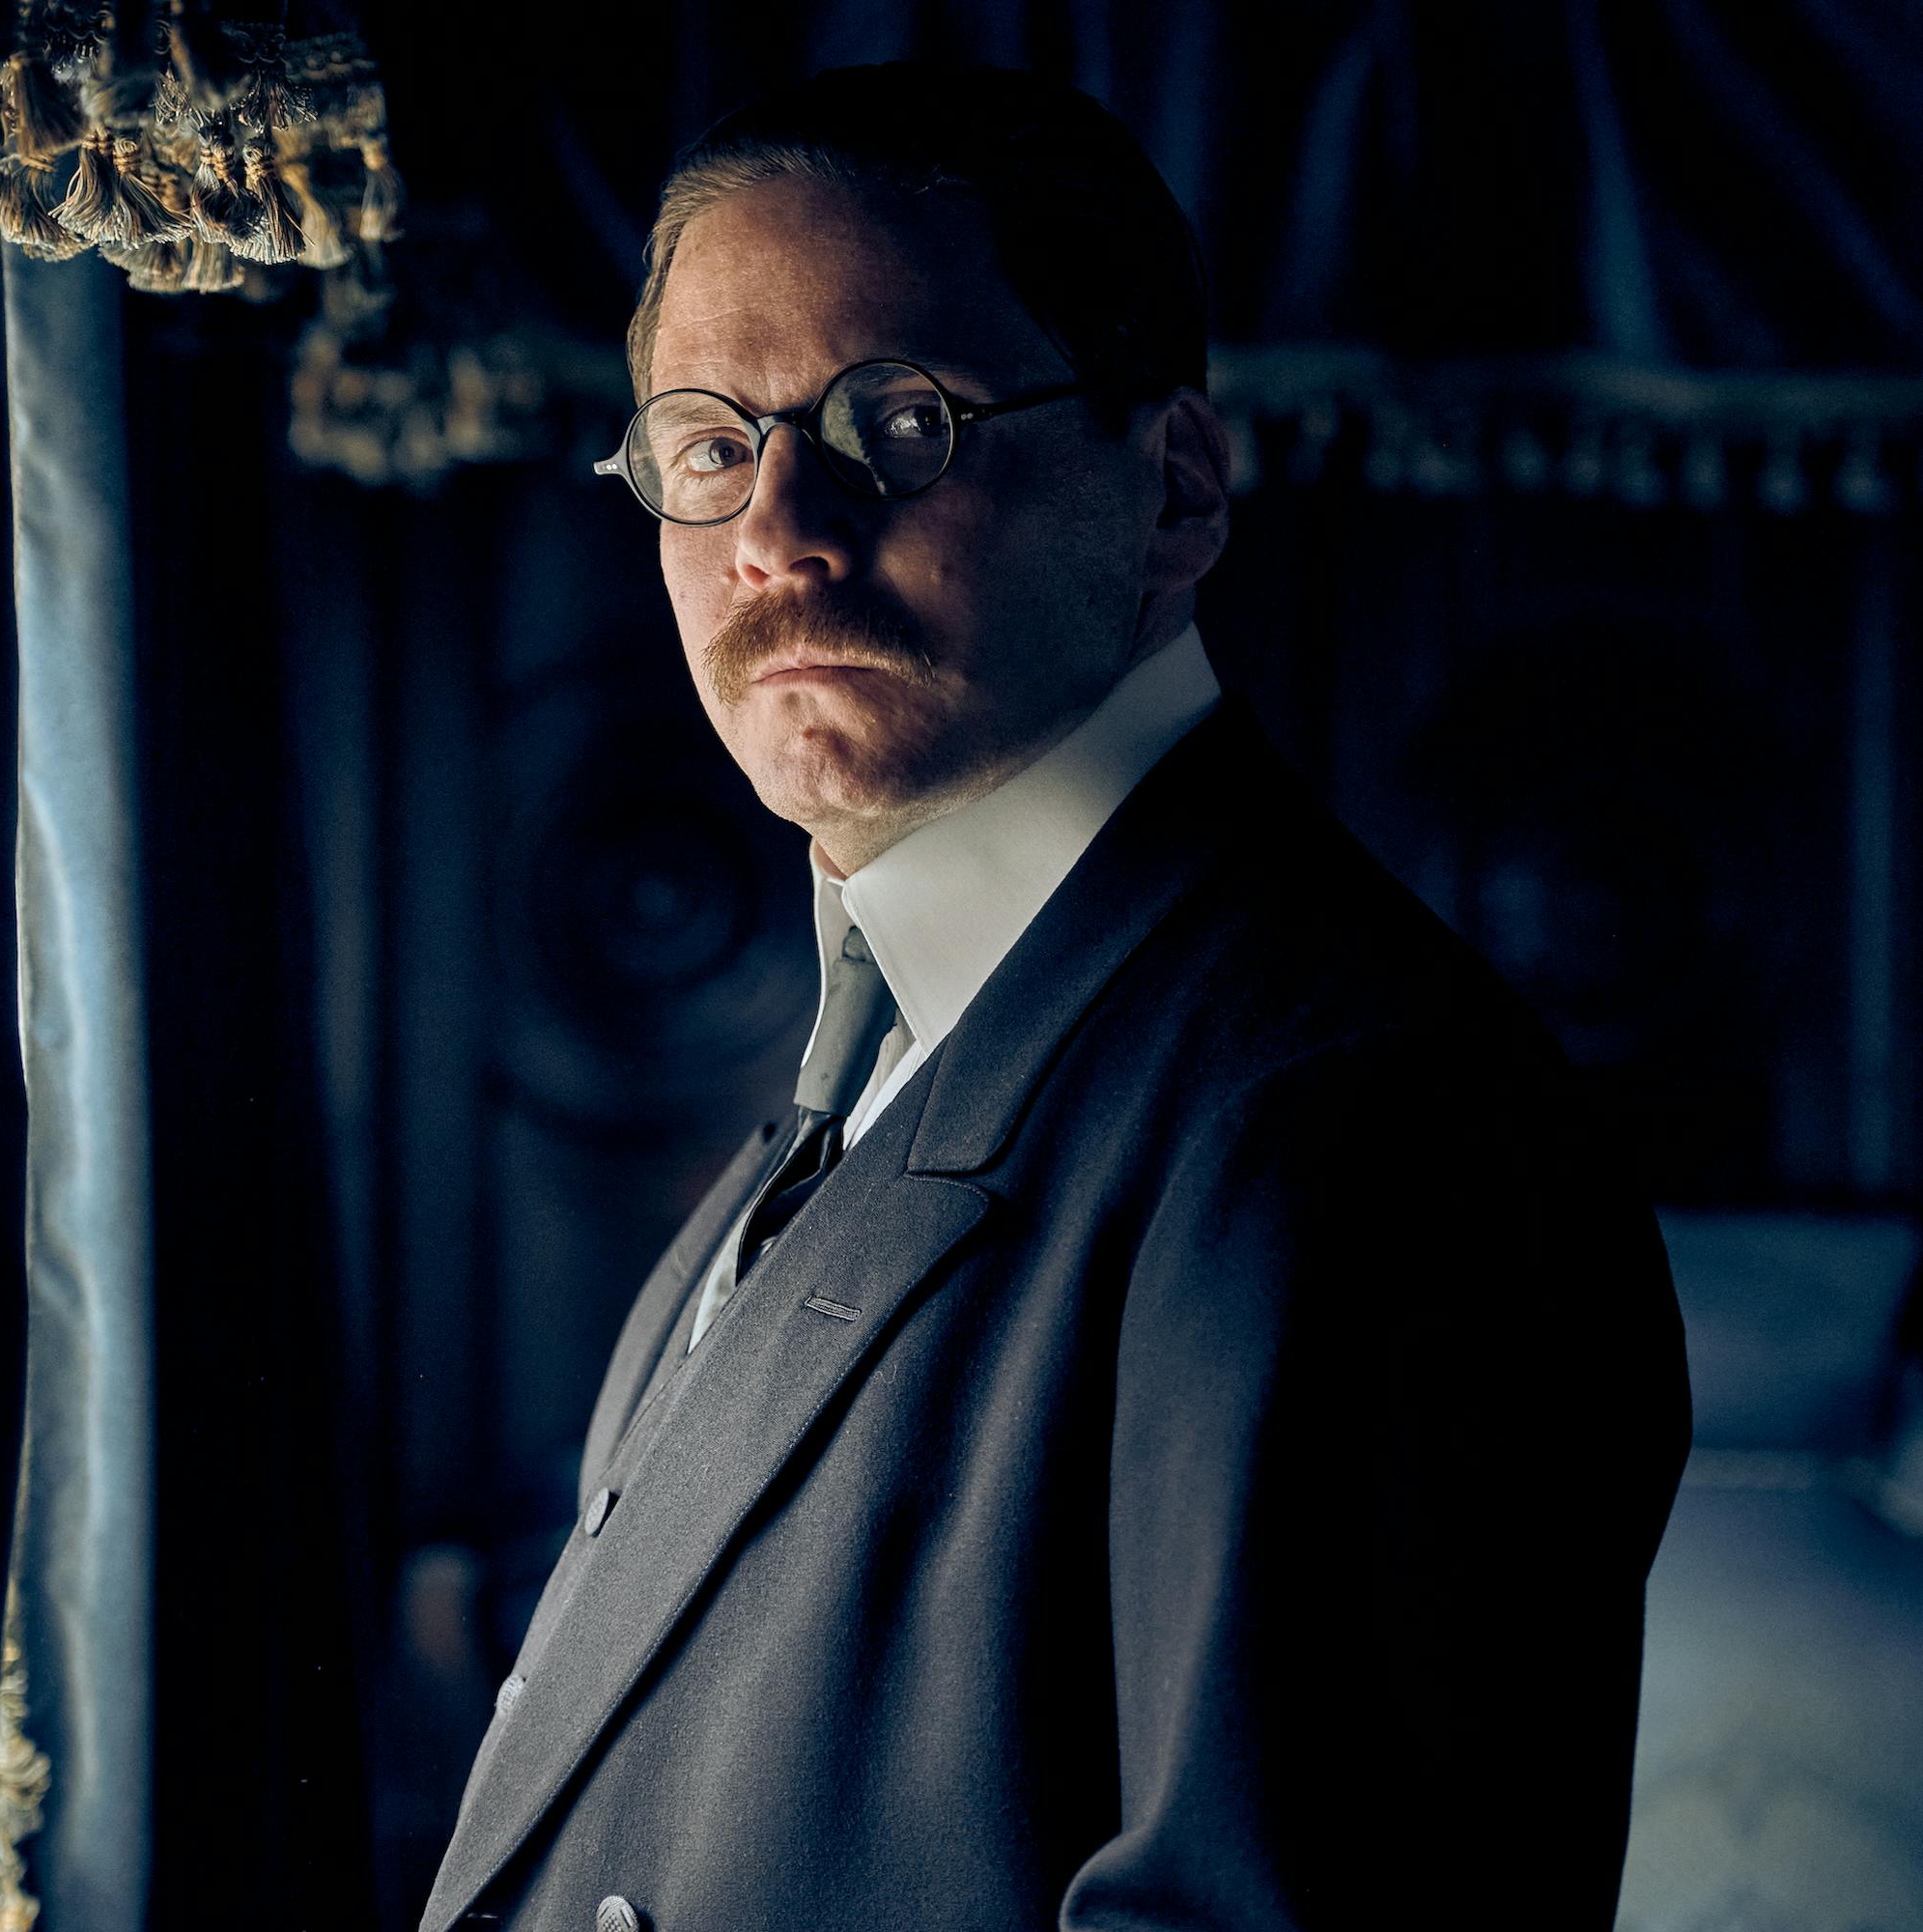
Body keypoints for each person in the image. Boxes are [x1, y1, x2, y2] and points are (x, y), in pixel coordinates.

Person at [424, 64, 1690, 1932]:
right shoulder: (869, 1061)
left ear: (1171, 487)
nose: (778, 532)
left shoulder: (1349, 1118)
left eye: (899, 422)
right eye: (705, 443)